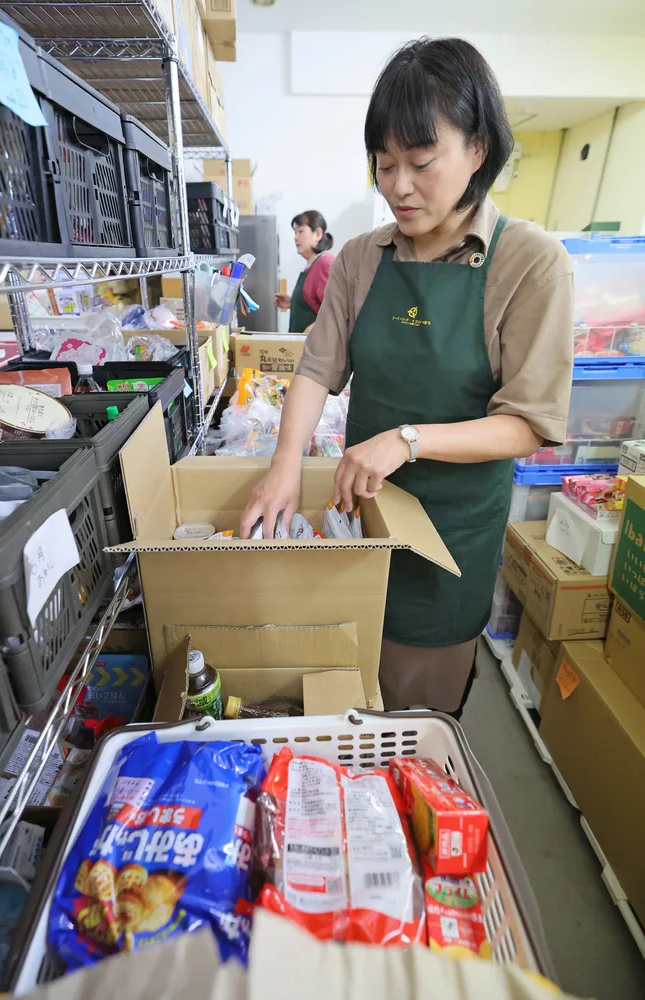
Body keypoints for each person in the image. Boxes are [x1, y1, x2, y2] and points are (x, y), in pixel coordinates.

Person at [242, 37, 574, 717]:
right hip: (356, 519)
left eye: (420, 163)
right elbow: (316, 366)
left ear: (477, 150)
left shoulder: (529, 263)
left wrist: (408, 439)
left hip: (449, 539)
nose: (397, 185)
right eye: (384, 164)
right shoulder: (363, 257)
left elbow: (528, 423)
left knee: (415, 711)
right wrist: (283, 461)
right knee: (345, 692)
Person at [275, 211, 335, 332]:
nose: (296, 237)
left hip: (315, 348)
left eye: (301, 231)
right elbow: (316, 303)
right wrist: (294, 303)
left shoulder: (325, 263)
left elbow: (336, 312)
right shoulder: (311, 264)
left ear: (318, 234)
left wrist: (313, 329)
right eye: (295, 232)